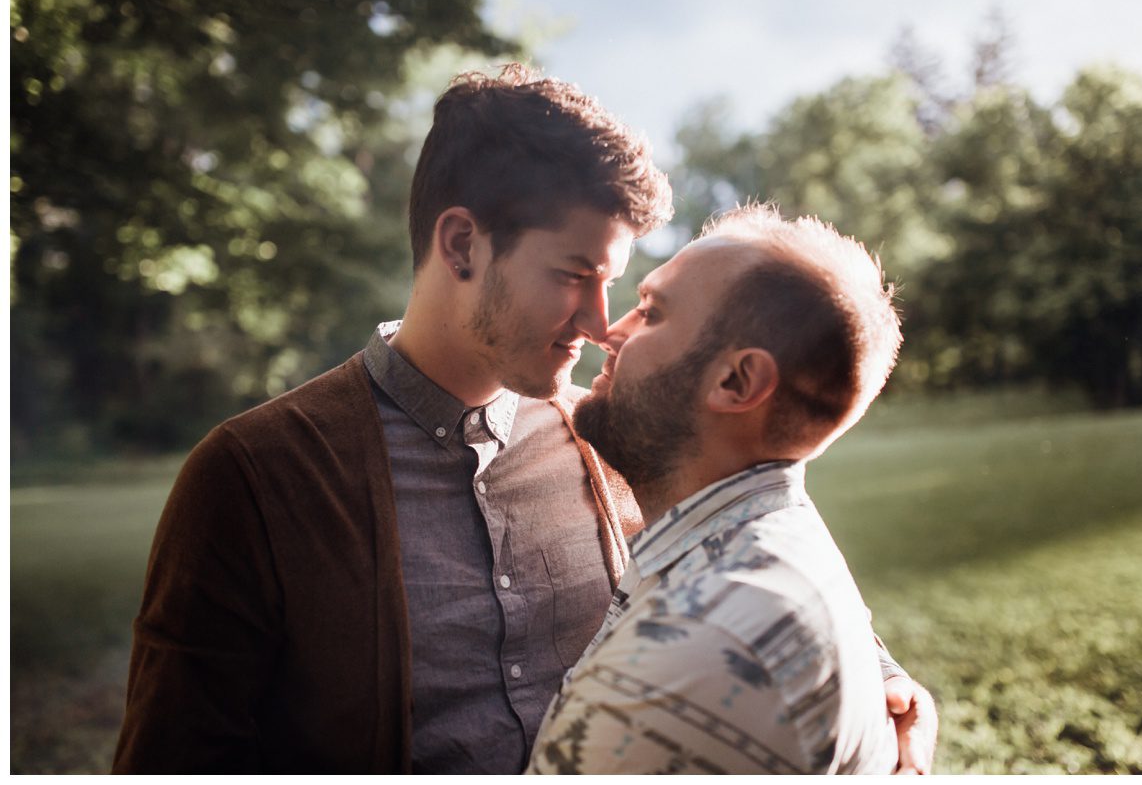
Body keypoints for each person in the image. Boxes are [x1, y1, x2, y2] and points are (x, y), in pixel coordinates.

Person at [113, 65, 932, 774]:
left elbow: (750, 539)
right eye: (574, 274)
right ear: (462, 245)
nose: (601, 323)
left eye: (615, 283)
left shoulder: (618, 433)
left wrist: (881, 675)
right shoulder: (252, 477)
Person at [528, 203, 938, 774]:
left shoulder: (688, 657)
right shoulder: (775, 535)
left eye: (650, 312)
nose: (608, 331)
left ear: (737, 381)